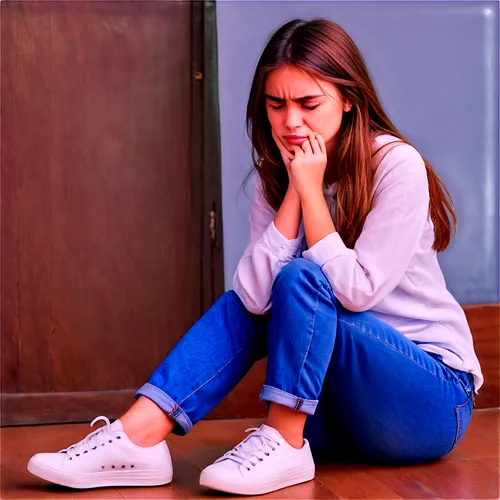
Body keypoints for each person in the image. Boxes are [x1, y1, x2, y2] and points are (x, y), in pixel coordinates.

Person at [27, 17, 483, 496]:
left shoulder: (394, 165)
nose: (291, 122)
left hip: (429, 402)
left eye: (309, 104)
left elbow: (357, 290)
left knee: (302, 280)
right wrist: (294, 190)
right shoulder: (278, 173)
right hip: (337, 416)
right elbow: (250, 298)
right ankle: (138, 436)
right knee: (263, 295)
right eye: (276, 104)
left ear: (349, 99)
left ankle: (283, 441)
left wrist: (311, 193)